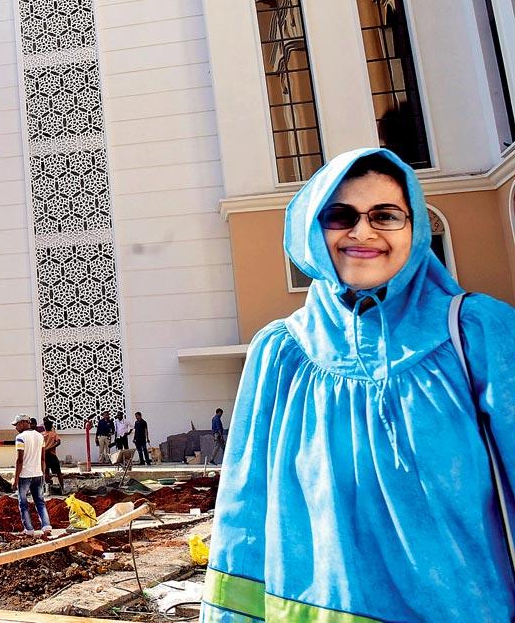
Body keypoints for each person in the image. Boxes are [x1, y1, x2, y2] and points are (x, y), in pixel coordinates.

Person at [202, 148, 515, 621]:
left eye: (386, 215)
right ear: (312, 229)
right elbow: (245, 505)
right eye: (339, 215)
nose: (362, 231)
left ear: (415, 227)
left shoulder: (477, 331)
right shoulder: (281, 352)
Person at [12, 415, 52, 537]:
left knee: (23, 503)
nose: (16, 427)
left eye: (17, 424)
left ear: (24, 423)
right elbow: (43, 458)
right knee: (40, 501)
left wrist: (15, 479)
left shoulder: (20, 438)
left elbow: (19, 460)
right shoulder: (40, 436)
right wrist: (44, 473)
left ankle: (29, 529)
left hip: (25, 475)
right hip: (37, 474)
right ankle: (46, 526)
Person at [41, 416, 63, 492]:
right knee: (58, 472)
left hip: (44, 455)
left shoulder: (41, 435)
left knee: (46, 471)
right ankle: (62, 487)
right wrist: (50, 448)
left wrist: (45, 449)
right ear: (51, 426)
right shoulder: (53, 434)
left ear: (44, 426)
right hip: (52, 455)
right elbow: (59, 442)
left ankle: (48, 489)